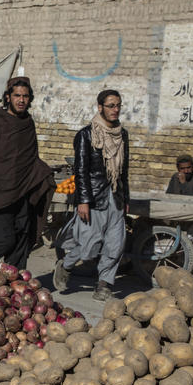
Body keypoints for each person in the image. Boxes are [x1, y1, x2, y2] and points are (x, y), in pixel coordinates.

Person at [53, 89, 130, 301]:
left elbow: (124, 170)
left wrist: (126, 199)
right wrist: (83, 201)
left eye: (118, 105)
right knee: (89, 246)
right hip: (94, 198)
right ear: (100, 107)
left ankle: (104, 284)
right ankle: (66, 265)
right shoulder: (86, 135)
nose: (115, 110)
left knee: (116, 244)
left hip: (115, 197)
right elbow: (81, 171)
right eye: (111, 105)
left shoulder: (122, 134)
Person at [0, 76, 53, 269]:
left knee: (22, 238)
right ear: (8, 97)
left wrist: (42, 173)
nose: (21, 100)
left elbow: (30, 157)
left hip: (22, 191)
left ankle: (13, 283)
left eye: (25, 96)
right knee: (3, 241)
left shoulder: (28, 123)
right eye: (17, 95)